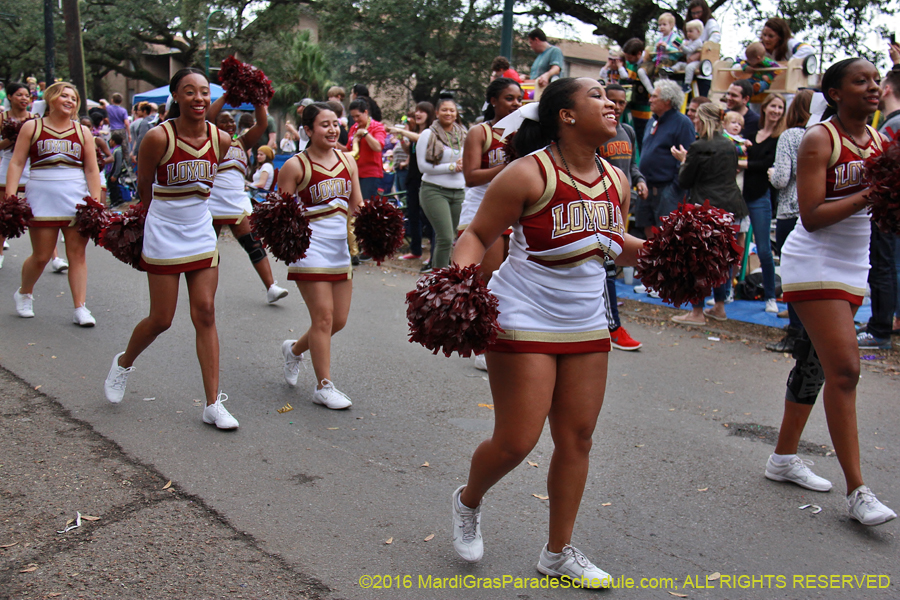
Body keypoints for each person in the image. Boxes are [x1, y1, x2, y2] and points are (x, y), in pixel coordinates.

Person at [450, 77, 645, 586]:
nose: (610, 103)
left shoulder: (615, 180)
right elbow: (476, 234)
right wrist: (459, 285)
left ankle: (558, 552)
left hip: (586, 319)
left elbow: (613, 242)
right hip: (523, 312)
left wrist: (666, 254)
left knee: (577, 437)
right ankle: (469, 500)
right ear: (566, 115)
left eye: (610, 97)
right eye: (597, 96)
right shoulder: (526, 173)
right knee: (517, 441)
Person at [767, 58, 896, 526]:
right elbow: (813, 214)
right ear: (836, 93)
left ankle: (782, 457)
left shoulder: (881, 142)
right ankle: (858, 491)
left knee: (816, 363)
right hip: (814, 260)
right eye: (860, 81)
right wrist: (872, 189)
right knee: (846, 368)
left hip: (854, 262)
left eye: (875, 80)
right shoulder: (820, 138)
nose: (872, 87)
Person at [103, 68, 239, 430]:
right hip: (164, 230)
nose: (198, 98)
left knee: (206, 312)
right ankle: (124, 363)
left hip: (200, 231)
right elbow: (144, 188)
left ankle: (213, 403)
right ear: (176, 97)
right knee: (161, 319)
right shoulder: (157, 137)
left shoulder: (221, 139)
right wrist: (146, 226)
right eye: (189, 91)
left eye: (204, 92)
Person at [278, 102, 363, 409]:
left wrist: (372, 232)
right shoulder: (295, 166)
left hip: (339, 248)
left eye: (335, 124)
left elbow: (357, 206)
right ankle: (323, 386)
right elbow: (280, 215)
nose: (332, 129)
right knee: (323, 317)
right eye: (324, 124)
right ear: (308, 130)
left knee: (337, 321)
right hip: (309, 249)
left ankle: (294, 350)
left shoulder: (347, 162)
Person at [7, 82, 102, 326]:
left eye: (74, 97)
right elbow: (17, 162)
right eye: (64, 96)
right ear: (51, 99)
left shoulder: (82, 132)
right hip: (42, 196)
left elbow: (92, 168)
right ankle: (25, 292)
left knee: (77, 255)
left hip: (75, 197)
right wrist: (10, 198)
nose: (70, 100)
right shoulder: (32, 127)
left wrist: (95, 202)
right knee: (41, 255)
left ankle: (80, 307)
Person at [669, 102, 748, 324]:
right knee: (722, 258)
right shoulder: (729, 144)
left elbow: (686, 180)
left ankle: (697, 312)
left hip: (706, 208)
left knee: (699, 260)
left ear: (702, 120)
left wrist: (684, 161)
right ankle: (720, 307)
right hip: (732, 206)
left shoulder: (699, 146)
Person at [206, 97, 289, 304]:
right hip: (212, 200)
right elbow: (206, 117)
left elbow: (261, 124)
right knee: (207, 247)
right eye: (224, 121)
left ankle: (271, 286)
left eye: (231, 121)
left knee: (253, 242)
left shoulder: (242, 142)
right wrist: (226, 96)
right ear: (215, 125)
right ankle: (204, 292)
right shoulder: (209, 139)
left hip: (237, 200)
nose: (229, 124)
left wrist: (258, 98)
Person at [598, 82, 647, 350]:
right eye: (612, 100)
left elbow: (634, 163)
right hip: (600, 206)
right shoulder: (596, 133)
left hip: (622, 205)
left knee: (612, 261)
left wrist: (639, 180)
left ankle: (606, 321)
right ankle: (612, 325)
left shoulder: (627, 131)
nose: (616, 106)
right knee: (606, 264)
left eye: (622, 102)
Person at [856, 64, 900, 351]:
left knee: (884, 265)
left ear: (886, 89)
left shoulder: (893, 125)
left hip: (887, 208)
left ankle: (880, 329)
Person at [459, 78, 522, 278]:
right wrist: (508, 166)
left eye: (519, 99)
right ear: (494, 101)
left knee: (510, 282)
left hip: (513, 211)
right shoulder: (480, 132)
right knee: (487, 281)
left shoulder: (523, 134)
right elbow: (470, 177)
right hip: (482, 209)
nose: (516, 104)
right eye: (509, 98)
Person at [767, 89, 813, 353]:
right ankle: (808, 331)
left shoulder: (791, 136)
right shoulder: (826, 135)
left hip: (790, 209)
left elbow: (782, 177)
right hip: (815, 212)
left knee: (793, 275)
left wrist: (772, 174)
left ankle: (795, 333)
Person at [636, 80, 696, 239]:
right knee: (647, 230)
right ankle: (651, 263)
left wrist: (674, 188)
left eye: (654, 96)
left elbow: (687, 157)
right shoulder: (652, 120)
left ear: (667, 100)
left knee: (666, 233)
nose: (650, 100)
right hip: (647, 187)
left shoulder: (683, 123)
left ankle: (662, 264)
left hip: (668, 189)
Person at [743, 93, 785, 314]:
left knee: (764, 249)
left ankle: (770, 296)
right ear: (765, 108)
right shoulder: (751, 134)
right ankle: (726, 291)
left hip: (761, 196)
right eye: (774, 106)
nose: (776, 111)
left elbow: (767, 163)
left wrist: (745, 163)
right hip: (742, 194)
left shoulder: (779, 139)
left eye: (780, 107)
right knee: (735, 245)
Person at [417, 96, 467, 270]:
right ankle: (438, 279)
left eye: (452, 110)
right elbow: (422, 166)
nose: (449, 113)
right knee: (445, 237)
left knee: (453, 237)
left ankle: (450, 276)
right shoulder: (428, 134)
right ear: (437, 112)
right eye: (444, 110)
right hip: (434, 190)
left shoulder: (463, 133)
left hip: (459, 191)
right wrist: (452, 166)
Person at [0, 83, 42, 270]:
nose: (24, 99)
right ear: (9, 97)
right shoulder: (2, 118)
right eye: (19, 95)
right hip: (8, 165)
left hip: (31, 168)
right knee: (4, 210)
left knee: (39, 211)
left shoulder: (35, 119)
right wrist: (13, 139)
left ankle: (53, 256)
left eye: (27, 95)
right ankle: (0, 251)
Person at [389, 103, 435, 265]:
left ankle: (434, 255)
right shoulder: (415, 132)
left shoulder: (431, 132)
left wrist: (401, 131)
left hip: (426, 179)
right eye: (417, 111)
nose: (418, 113)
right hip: (413, 177)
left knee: (428, 217)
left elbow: (423, 139)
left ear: (429, 113)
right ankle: (415, 250)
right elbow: (411, 151)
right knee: (413, 215)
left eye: (422, 111)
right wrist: (401, 139)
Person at [346, 98, 386, 201]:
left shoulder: (377, 127)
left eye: (358, 116)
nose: (355, 119)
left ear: (366, 112)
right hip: (354, 172)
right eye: (353, 117)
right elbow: (348, 149)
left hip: (370, 174)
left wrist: (365, 134)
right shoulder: (353, 128)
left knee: (366, 205)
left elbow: (378, 147)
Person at [685, 0, 722, 97]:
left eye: (698, 12)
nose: (696, 16)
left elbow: (715, 38)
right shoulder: (690, 26)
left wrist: (699, 54)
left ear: (704, 11)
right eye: (693, 13)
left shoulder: (710, 23)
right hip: (689, 71)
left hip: (704, 70)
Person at [622, 38, 652, 148]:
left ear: (639, 53)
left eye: (630, 57)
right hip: (633, 105)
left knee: (643, 137)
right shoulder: (630, 64)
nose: (628, 60)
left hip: (645, 108)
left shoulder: (648, 64)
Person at [645, 12, 684, 78]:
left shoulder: (677, 38)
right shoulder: (658, 39)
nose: (661, 27)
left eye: (664, 24)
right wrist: (656, 48)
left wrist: (667, 47)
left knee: (661, 70)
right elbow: (654, 55)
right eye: (660, 25)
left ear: (671, 25)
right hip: (658, 61)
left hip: (670, 62)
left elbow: (679, 53)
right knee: (644, 70)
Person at [678, 20, 705, 91]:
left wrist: (682, 46)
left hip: (696, 62)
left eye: (690, 31)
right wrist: (680, 44)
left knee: (689, 68)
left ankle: (687, 84)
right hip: (689, 61)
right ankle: (672, 70)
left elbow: (689, 50)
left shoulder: (698, 42)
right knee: (680, 64)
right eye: (687, 31)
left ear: (698, 32)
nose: (688, 33)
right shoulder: (690, 41)